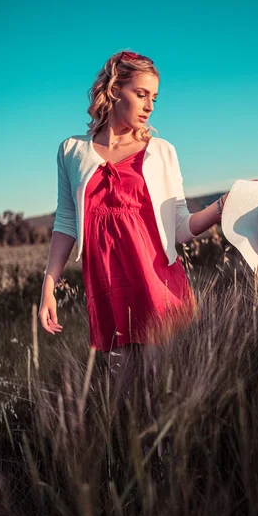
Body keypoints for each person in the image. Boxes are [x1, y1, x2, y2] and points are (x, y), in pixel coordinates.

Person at [38, 49, 229, 388]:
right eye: (141, 94)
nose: (149, 106)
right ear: (113, 90)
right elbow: (66, 223)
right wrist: (48, 288)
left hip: (157, 281)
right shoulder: (71, 151)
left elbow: (181, 227)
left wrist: (220, 208)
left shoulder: (162, 151)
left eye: (153, 97)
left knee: (162, 388)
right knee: (122, 393)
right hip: (108, 285)